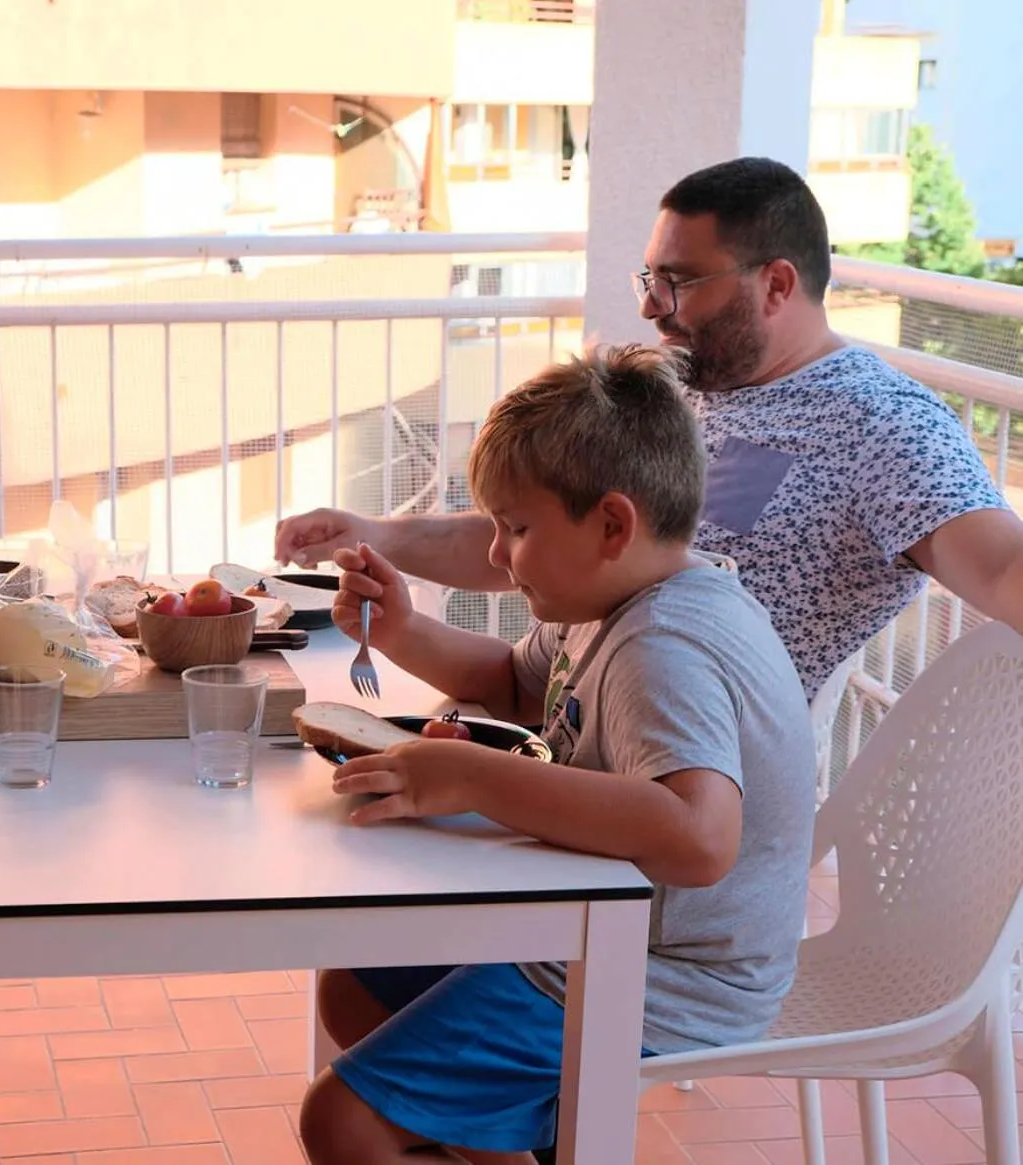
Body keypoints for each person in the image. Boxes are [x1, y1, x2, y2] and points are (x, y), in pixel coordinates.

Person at [297, 345, 815, 1165]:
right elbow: (508, 683)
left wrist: (474, 776)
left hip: (668, 979)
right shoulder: (608, 601)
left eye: (516, 527)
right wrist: (400, 629)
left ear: (612, 524)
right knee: (357, 983)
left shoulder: (666, 644)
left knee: (343, 1122)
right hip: (599, 924)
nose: (498, 555)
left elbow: (699, 837)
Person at [274, 156, 1020, 701]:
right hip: (556, 712)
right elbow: (552, 534)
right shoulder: (688, 387)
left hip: (671, 780)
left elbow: (1000, 570)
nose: (650, 306)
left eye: (680, 282)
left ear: (778, 284)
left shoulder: (883, 425)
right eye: (649, 279)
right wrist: (375, 535)